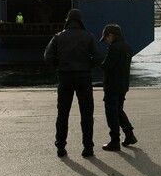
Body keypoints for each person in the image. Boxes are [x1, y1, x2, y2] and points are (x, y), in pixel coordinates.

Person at [44, 9, 102, 158]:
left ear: (68, 20)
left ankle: (61, 147)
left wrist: (59, 65)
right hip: (84, 77)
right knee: (87, 114)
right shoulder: (88, 36)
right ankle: (88, 148)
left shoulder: (58, 37)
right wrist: (88, 66)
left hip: (65, 77)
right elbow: (99, 56)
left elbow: (47, 56)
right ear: (80, 20)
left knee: (63, 114)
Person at [99, 24, 137, 151]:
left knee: (111, 112)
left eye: (106, 38)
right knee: (119, 111)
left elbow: (107, 66)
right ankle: (129, 135)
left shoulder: (114, 48)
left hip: (112, 85)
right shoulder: (128, 47)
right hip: (123, 85)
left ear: (111, 35)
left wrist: (99, 62)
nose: (106, 41)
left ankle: (114, 141)